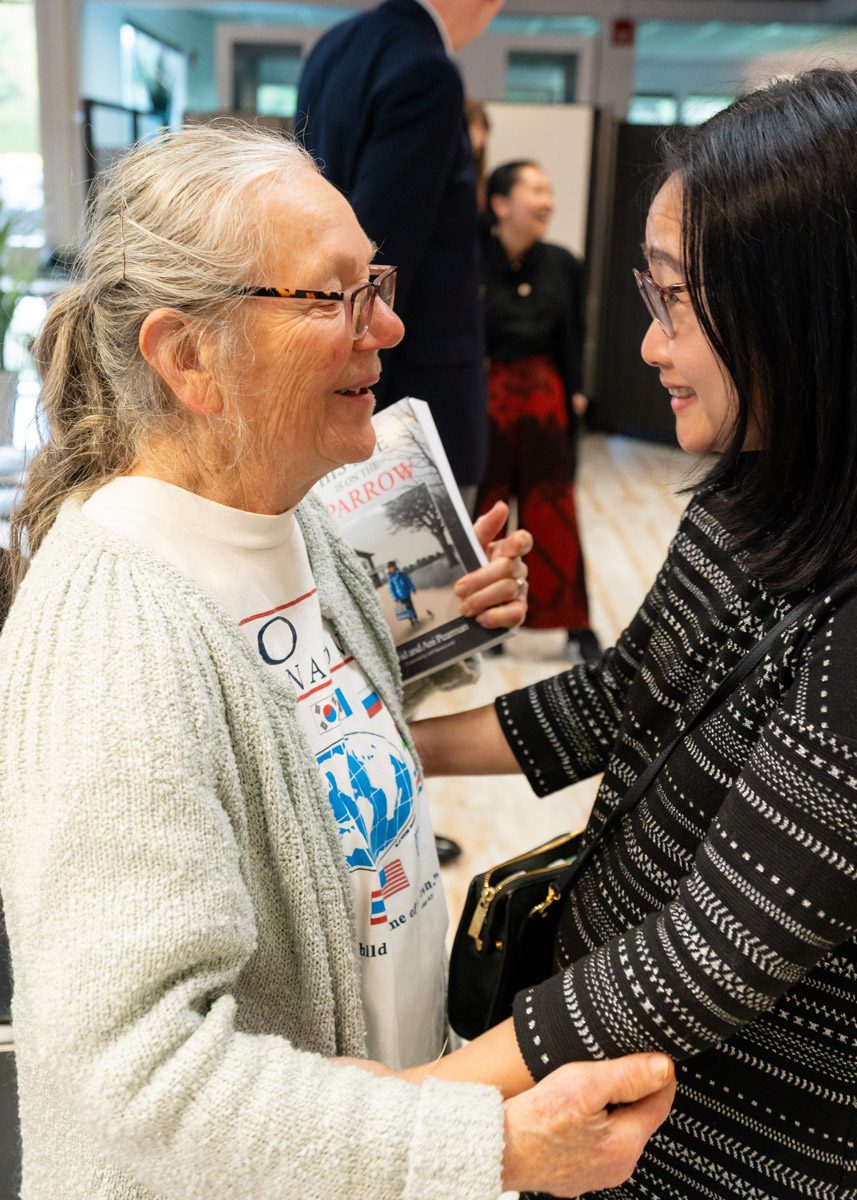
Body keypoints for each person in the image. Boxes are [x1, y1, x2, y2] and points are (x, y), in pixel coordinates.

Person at [0, 125, 675, 1200]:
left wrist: (441, 623)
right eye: (334, 299)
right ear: (186, 356)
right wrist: (485, 1143)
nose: (391, 327)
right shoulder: (115, 620)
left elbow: (284, 729)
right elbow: (132, 1076)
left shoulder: (292, 520)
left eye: (378, 283)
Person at [410, 69, 857, 1198]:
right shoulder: (750, 495)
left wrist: (412, 1107)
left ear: (797, 304)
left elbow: (706, 950)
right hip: (607, 1093)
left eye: (673, 302)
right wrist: (387, 742)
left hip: (732, 1144)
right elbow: (617, 701)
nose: (649, 347)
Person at [296, 0, 502, 500]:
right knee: (421, 572)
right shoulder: (427, 69)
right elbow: (384, 252)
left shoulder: (333, 48)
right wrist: (359, 404)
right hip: (408, 390)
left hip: (331, 351)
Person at [477, 160, 599, 665]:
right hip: (486, 400)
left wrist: (578, 392)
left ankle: (574, 623)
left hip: (546, 399)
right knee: (488, 510)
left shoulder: (563, 262)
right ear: (501, 204)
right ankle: (487, 619)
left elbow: (574, 336)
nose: (547, 201)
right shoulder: (471, 261)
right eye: (535, 190)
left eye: (549, 190)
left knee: (554, 510)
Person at [387, 560, 418, 625]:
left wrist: (412, 588)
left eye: (393, 567)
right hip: (400, 596)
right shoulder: (390, 579)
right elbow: (391, 589)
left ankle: (415, 618)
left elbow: (408, 581)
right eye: (390, 568)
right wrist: (395, 597)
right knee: (406, 609)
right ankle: (411, 620)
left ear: (395, 566)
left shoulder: (401, 574)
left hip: (407, 593)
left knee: (411, 606)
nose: (392, 568)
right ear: (389, 569)